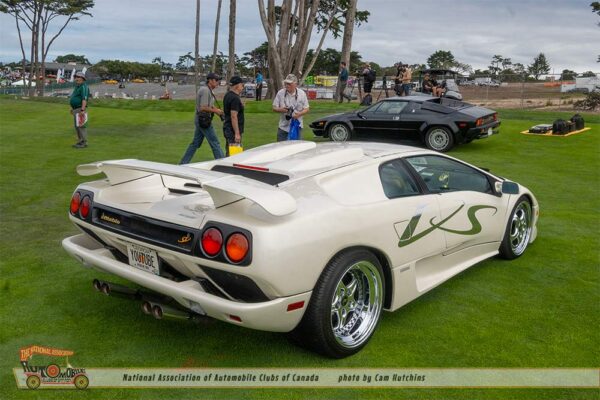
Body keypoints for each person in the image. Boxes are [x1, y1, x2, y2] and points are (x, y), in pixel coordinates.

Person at [179, 72, 224, 164]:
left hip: (202, 119)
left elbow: (209, 106)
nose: (218, 82)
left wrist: (218, 111)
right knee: (215, 142)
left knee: (195, 143)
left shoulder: (208, 90)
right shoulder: (205, 90)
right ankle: (223, 164)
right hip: (203, 120)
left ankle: (183, 163)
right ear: (210, 81)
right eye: (216, 80)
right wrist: (216, 111)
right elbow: (203, 107)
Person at [272, 74, 310, 141]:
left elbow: (306, 108)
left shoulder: (302, 93)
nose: (287, 85)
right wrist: (281, 109)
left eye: (289, 84)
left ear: (295, 84)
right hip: (283, 127)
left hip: (297, 126)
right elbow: (274, 108)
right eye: (286, 83)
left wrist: (299, 114)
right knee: (281, 146)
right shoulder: (280, 93)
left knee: (297, 146)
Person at [223, 76, 245, 156]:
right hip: (232, 130)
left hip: (227, 128)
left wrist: (241, 106)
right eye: (242, 85)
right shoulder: (235, 98)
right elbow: (233, 116)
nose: (242, 87)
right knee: (235, 155)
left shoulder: (228, 95)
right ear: (237, 85)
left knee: (229, 152)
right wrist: (237, 133)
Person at [69, 71, 90, 148]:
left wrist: (82, 110)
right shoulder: (77, 86)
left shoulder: (84, 87)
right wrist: (72, 108)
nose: (76, 78)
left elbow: (84, 99)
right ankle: (80, 141)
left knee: (81, 126)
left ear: (82, 78)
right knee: (77, 126)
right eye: (75, 77)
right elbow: (74, 97)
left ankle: (84, 142)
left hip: (80, 109)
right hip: (75, 109)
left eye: (78, 77)